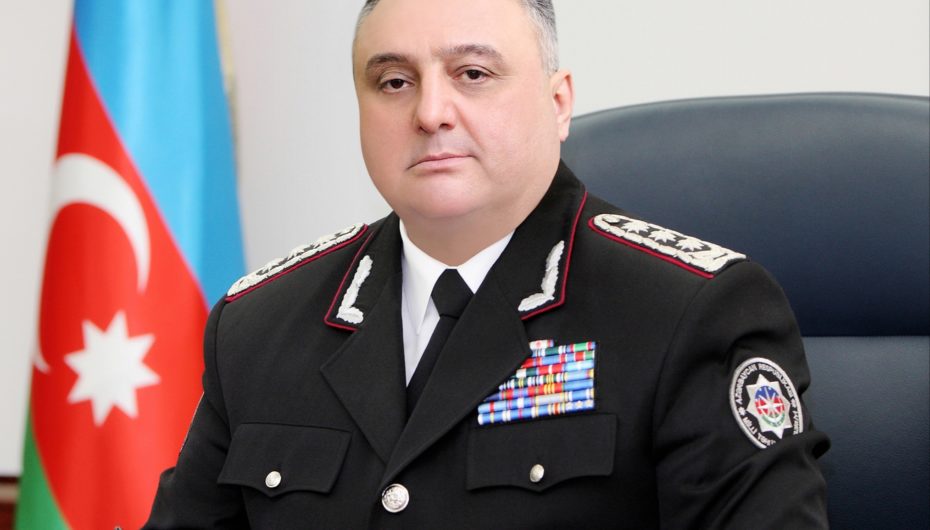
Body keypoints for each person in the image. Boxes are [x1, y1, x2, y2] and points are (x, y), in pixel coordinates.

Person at [146, 0, 830, 527]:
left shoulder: (687, 313)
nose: (429, 112)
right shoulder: (258, 326)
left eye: (472, 74)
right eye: (393, 81)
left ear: (558, 104)